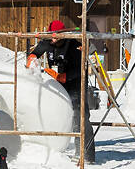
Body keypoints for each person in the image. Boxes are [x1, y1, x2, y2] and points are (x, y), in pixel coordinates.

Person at [26, 20, 95, 163]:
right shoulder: (48, 42)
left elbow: (80, 69)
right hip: (57, 86)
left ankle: (85, 154)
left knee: (79, 117)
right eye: (51, 35)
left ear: (64, 34)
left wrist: (64, 76)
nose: (53, 39)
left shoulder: (74, 46)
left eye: (57, 36)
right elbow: (36, 53)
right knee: (54, 115)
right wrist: (32, 58)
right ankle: (53, 150)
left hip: (75, 84)